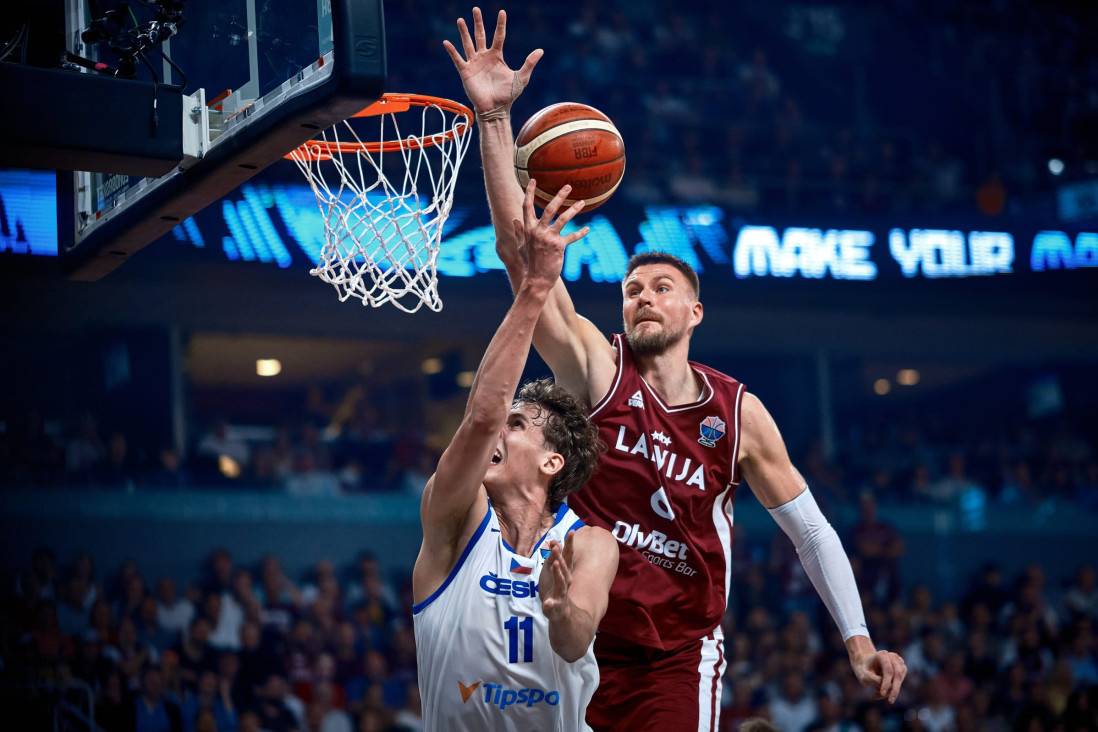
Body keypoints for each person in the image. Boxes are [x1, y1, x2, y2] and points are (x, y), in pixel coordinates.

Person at [444, 9, 907, 730]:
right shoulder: (599, 370)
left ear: (696, 313)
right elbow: (520, 259)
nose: (642, 296)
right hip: (579, 641)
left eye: (662, 288)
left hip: (678, 653)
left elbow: (811, 533)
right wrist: (496, 120)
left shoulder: (737, 412)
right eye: (632, 289)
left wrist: (857, 640)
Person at [411, 183, 618, 731]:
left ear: (552, 463)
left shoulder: (588, 543)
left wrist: (558, 609)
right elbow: (481, 416)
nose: (499, 431)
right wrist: (534, 288)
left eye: (519, 425)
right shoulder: (456, 518)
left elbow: (575, 644)